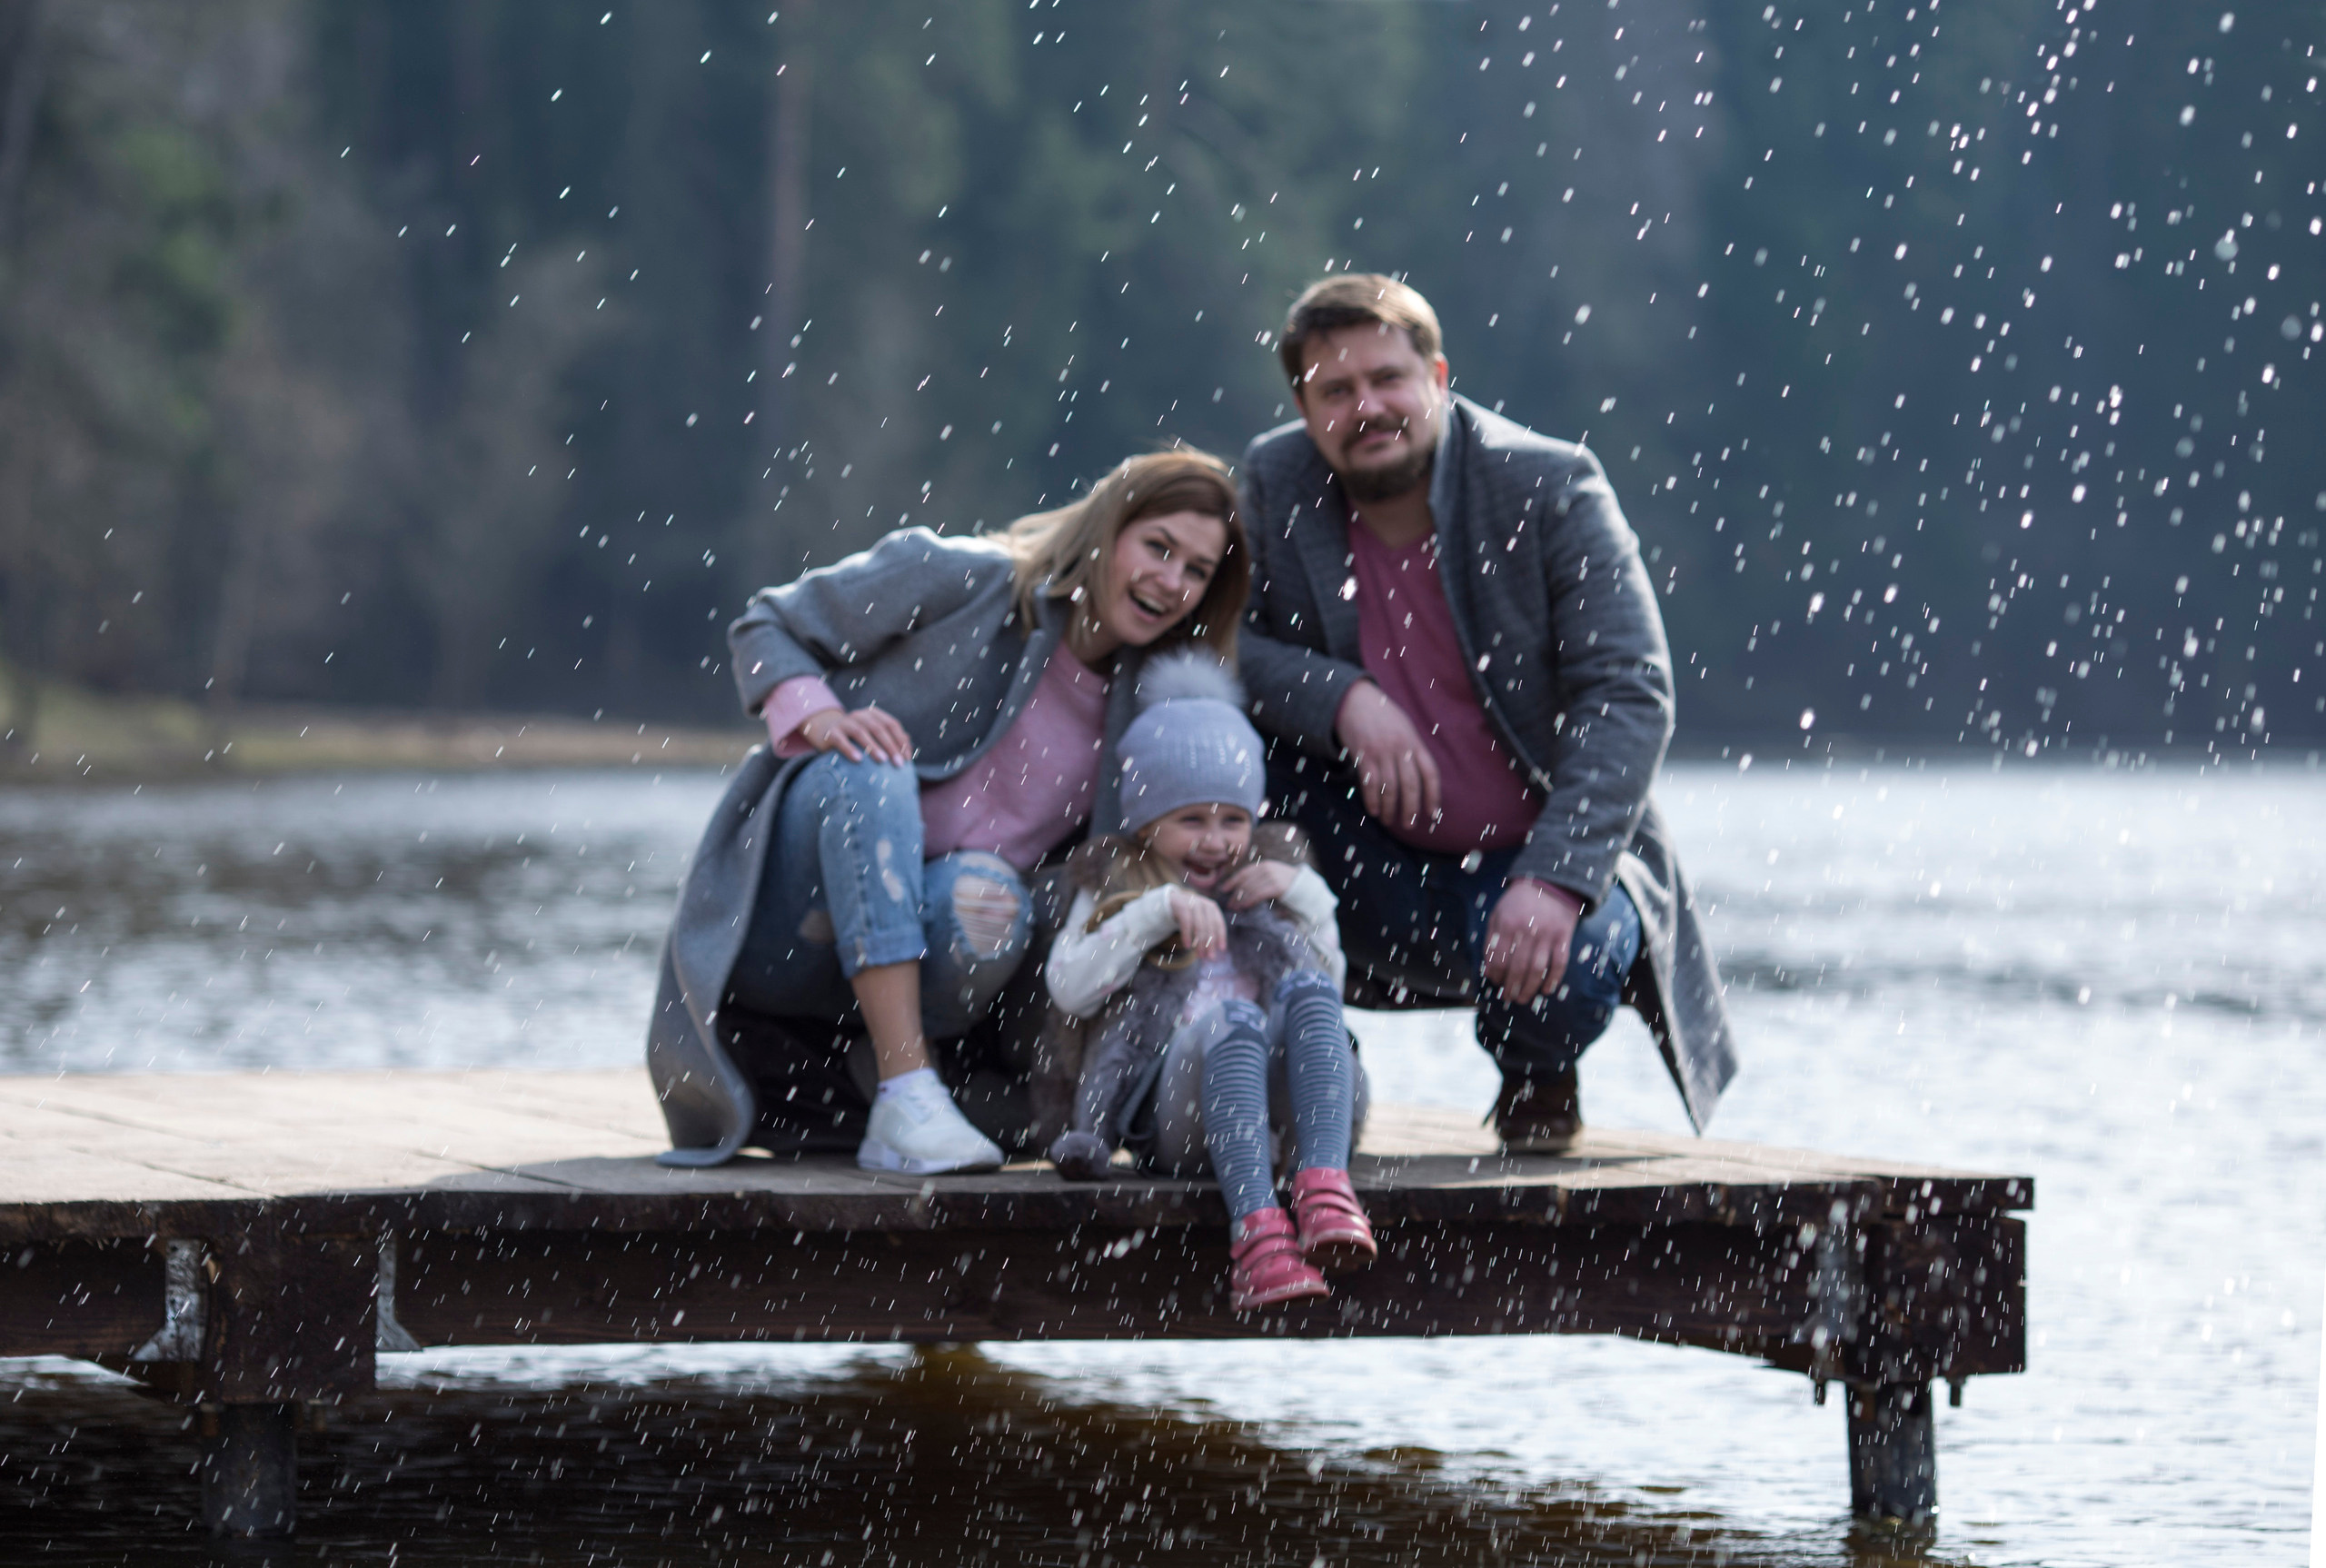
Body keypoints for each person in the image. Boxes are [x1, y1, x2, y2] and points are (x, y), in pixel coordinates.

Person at [1237, 273, 1737, 1150]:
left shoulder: (1547, 486)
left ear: (1436, 374)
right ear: (1304, 406)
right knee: (1200, 756)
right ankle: (1302, 1069)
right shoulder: (1278, 481)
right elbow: (1219, 648)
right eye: (1337, 391)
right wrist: (1345, 700)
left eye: (1388, 379)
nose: (1367, 407)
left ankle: (1537, 1068)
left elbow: (1631, 691)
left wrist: (1553, 877)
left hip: (1537, 847)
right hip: (1368, 850)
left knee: (1560, 980)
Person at [647, 449, 1252, 1172]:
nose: (1171, 581)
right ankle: (905, 1090)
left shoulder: (1150, 712)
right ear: (1107, 526)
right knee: (874, 771)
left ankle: (898, 1077)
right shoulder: (966, 578)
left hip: (941, 952)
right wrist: (822, 718)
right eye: (1158, 547)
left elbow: (1147, 858)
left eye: (1197, 570)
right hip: (796, 910)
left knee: (989, 903)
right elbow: (767, 625)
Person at [1041, 651, 1372, 1312]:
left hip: (1286, 1120)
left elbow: (1328, 995)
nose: (1216, 842)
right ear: (1145, 822)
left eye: (1233, 819)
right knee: (1233, 1022)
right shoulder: (1118, 881)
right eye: (1191, 820)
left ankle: (1324, 1186)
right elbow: (1069, 988)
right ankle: (1257, 1238)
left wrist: (1304, 893)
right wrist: (1154, 913)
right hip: (1174, 1117)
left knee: (1308, 993)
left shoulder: (1273, 876)